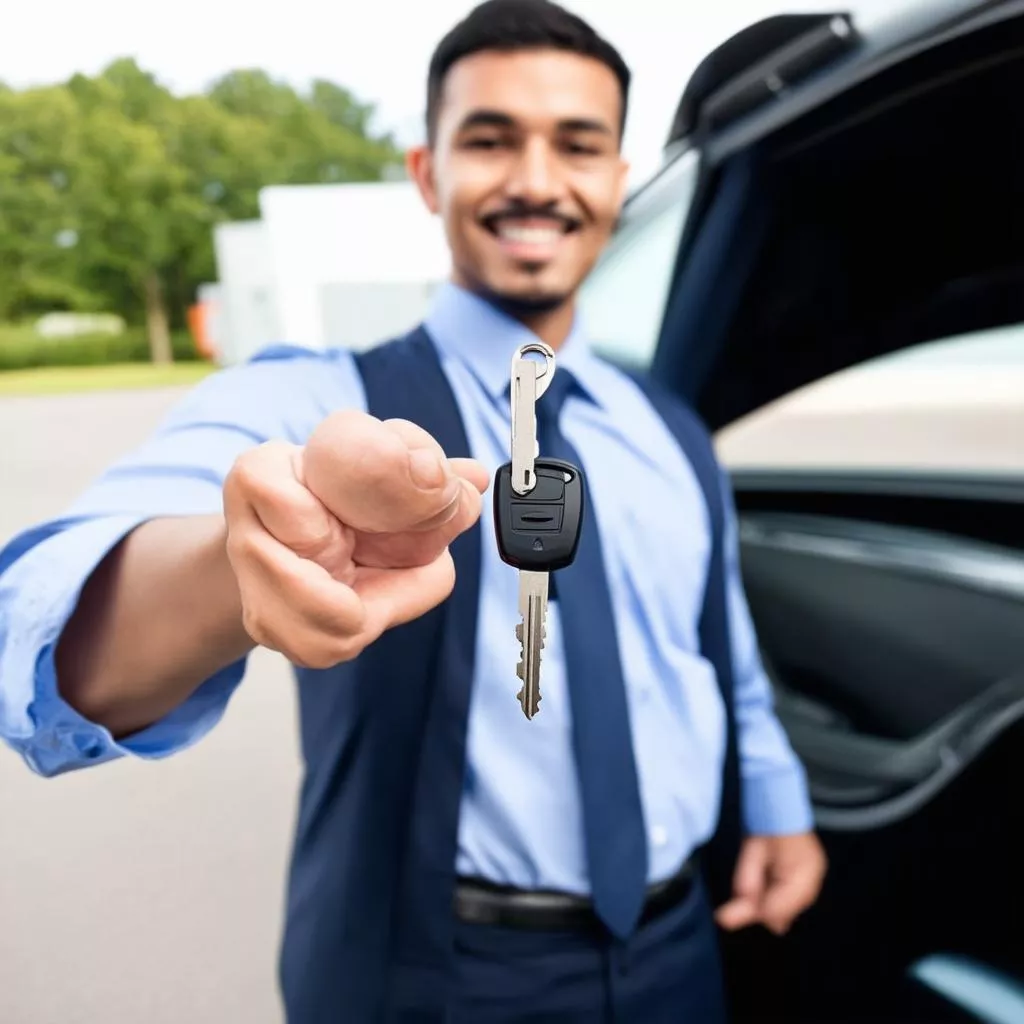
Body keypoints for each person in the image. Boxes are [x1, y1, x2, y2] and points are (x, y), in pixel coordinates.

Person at [0, 1, 827, 1020]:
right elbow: (46, 621)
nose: (535, 179)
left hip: (678, 949)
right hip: (433, 978)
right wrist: (237, 563)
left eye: (577, 144)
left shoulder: (668, 429)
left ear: (617, 180)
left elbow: (718, 659)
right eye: (489, 140)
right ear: (428, 174)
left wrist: (781, 810)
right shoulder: (323, 400)